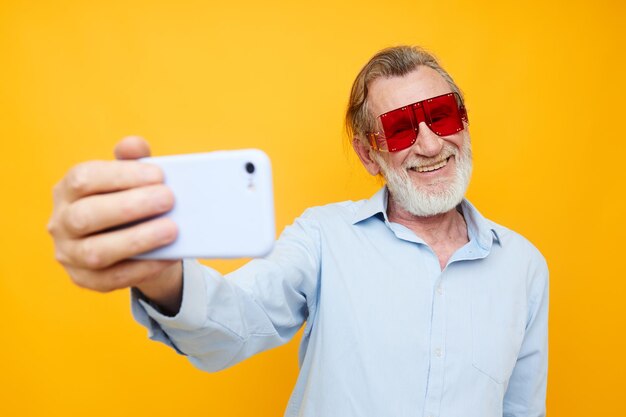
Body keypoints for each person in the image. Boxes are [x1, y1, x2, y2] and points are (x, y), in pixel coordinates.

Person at [48, 45, 549, 417]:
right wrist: (163, 278)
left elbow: (521, 409)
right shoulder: (322, 237)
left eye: (440, 116)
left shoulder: (524, 266)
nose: (428, 143)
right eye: (399, 128)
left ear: (462, 121)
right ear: (368, 154)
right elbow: (236, 324)